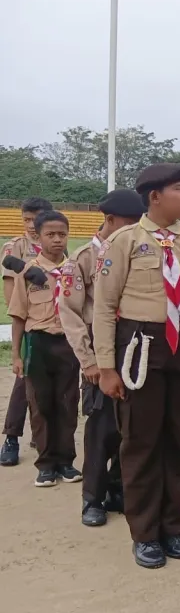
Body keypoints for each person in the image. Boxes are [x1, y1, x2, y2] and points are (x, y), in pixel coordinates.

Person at [93, 163, 180, 569]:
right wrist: (107, 368)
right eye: (179, 189)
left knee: (178, 441)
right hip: (141, 347)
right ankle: (145, 533)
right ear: (154, 197)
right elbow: (105, 308)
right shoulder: (124, 241)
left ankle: (173, 526)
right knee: (142, 442)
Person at [59, 190, 145, 525]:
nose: (134, 228)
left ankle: (118, 488)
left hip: (134, 352)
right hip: (99, 354)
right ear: (109, 220)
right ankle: (92, 498)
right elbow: (70, 314)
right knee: (102, 429)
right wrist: (90, 362)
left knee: (132, 427)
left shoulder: (136, 251)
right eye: (129, 222)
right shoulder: (82, 259)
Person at [9, 209, 81, 488]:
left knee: (67, 403)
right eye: (50, 234)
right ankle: (46, 464)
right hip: (38, 343)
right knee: (40, 405)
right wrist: (16, 354)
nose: (57, 240)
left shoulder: (74, 270)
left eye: (62, 234)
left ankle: (66, 461)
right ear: (38, 237)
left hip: (68, 344)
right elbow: (18, 315)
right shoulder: (27, 272)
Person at [0, 196, 53, 466]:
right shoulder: (16, 247)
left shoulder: (56, 245)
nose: (32, 225)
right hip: (30, 325)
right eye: (27, 219)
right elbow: (11, 296)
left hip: (53, 326)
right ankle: (11, 437)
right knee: (24, 381)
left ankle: (41, 433)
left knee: (49, 383)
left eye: (36, 219)